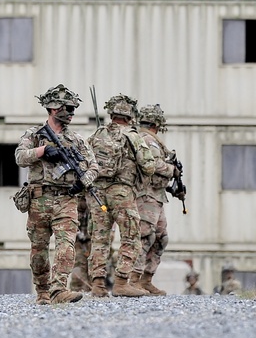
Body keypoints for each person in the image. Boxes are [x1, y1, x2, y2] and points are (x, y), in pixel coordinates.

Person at [14, 84, 96, 305]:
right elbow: (20, 157)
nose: (71, 113)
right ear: (53, 108)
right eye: (67, 108)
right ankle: (42, 292)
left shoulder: (77, 140)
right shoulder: (34, 134)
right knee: (39, 250)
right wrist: (42, 151)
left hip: (66, 198)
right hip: (38, 198)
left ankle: (59, 289)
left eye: (73, 109)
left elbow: (93, 167)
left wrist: (83, 183)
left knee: (66, 244)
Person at [86, 94, 156, 298]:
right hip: (122, 192)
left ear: (112, 114)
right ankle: (121, 282)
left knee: (99, 238)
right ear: (130, 116)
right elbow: (148, 165)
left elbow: (85, 161)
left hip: (97, 194)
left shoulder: (97, 135)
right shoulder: (133, 135)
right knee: (131, 236)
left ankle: (98, 285)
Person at [133, 104, 180, 295]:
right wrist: (172, 170)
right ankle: (134, 279)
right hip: (145, 195)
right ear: (157, 123)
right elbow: (153, 164)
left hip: (156, 195)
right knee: (145, 236)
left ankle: (146, 279)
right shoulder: (146, 139)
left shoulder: (152, 140)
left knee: (161, 238)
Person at [69, 195, 92, 292]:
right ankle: (77, 289)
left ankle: (91, 288)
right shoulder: (75, 201)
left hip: (92, 239)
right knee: (78, 262)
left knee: (93, 264)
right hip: (77, 239)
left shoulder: (95, 200)